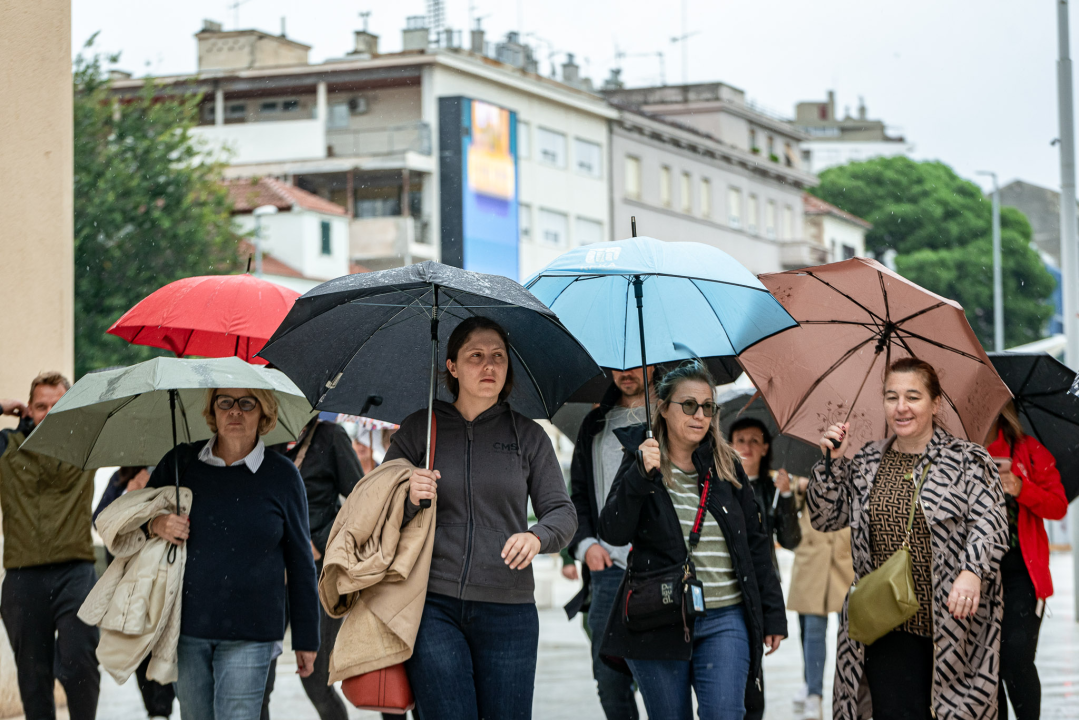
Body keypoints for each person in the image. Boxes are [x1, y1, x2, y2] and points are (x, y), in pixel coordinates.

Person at [385, 316, 577, 720]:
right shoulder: (421, 429)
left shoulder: (528, 436)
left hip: (508, 609)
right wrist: (408, 496)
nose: (488, 366)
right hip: (430, 602)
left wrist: (537, 536)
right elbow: (376, 510)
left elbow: (562, 512)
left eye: (498, 357)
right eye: (475, 356)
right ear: (452, 366)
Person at [810, 357, 1007, 720]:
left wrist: (972, 571)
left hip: (953, 627)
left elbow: (991, 521)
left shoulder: (968, 460)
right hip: (885, 622)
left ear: (935, 403)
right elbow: (825, 518)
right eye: (891, 396)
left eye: (913, 397)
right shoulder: (867, 459)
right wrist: (831, 464)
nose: (901, 407)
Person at [598, 360, 787, 720]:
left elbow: (756, 543)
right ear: (664, 408)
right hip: (658, 616)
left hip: (725, 617)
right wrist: (639, 474)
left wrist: (773, 615)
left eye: (707, 407)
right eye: (688, 405)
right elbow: (614, 531)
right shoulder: (641, 460)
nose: (699, 414)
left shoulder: (727, 466)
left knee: (726, 713)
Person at [147, 387, 320, 720]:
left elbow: (300, 562)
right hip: (186, 628)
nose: (235, 411)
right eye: (224, 402)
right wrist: (157, 523)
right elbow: (131, 519)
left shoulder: (283, 476)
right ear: (213, 411)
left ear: (264, 413)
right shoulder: (181, 463)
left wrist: (306, 637)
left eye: (247, 403)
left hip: (253, 630)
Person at [0, 374, 100, 720]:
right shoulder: (7, 444)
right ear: (29, 410)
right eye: (41, 406)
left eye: (58, 406)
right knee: (33, 677)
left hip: (76, 573)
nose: (48, 413)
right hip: (22, 577)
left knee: (79, 663)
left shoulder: (88, 442)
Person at [261, 417, 364, 720]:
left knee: (316, 680)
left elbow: (361, 503)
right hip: (271, 575)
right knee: (257, 680)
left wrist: (320, 540)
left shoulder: (330, 436)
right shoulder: (266, 440)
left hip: (318, 576)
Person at [565, 367, 654, 720]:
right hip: (607, 571)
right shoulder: (595, 423)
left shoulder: (670, 416)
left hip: (660, 569)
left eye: (635, 362)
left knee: (660, 678)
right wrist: (586, 545)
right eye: (617, 362)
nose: (626, 371)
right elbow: (579, 493)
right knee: (609, 678)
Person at [984, 402, 1067, 720]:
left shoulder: (1028, 451)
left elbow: (1058, 506)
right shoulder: (957, 452)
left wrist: (1021, 487)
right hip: (976, 576)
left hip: (1023, 575)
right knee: (986, 669)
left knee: (1014, 657)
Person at [726, 417, 801, 720]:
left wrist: (785, 496)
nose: (747, 446)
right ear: (729, 444)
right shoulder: (719, 486)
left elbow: (792, 539)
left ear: (766, 446)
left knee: (752, 664)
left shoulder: (772, 487)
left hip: (761, 586)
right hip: (728, 584)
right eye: (740, 440)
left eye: (754, 440)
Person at [94, 466, 176, 720]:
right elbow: (100, 520)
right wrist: (129, 497)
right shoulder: (120, 478)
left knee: (161, 644)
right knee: (136, 645)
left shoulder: (169, 473)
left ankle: (161, 709)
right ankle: (153, 708)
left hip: (162, 576)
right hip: (127, 580)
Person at [786, 473, 854, 720]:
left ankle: (849, 691)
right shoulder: (803, 460)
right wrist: (800, 487)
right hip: (812, 559)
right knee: (811, 629)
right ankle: (813, 691)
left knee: (850, 633)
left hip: (845, 561)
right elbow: (787, 505)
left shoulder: (855, 462)